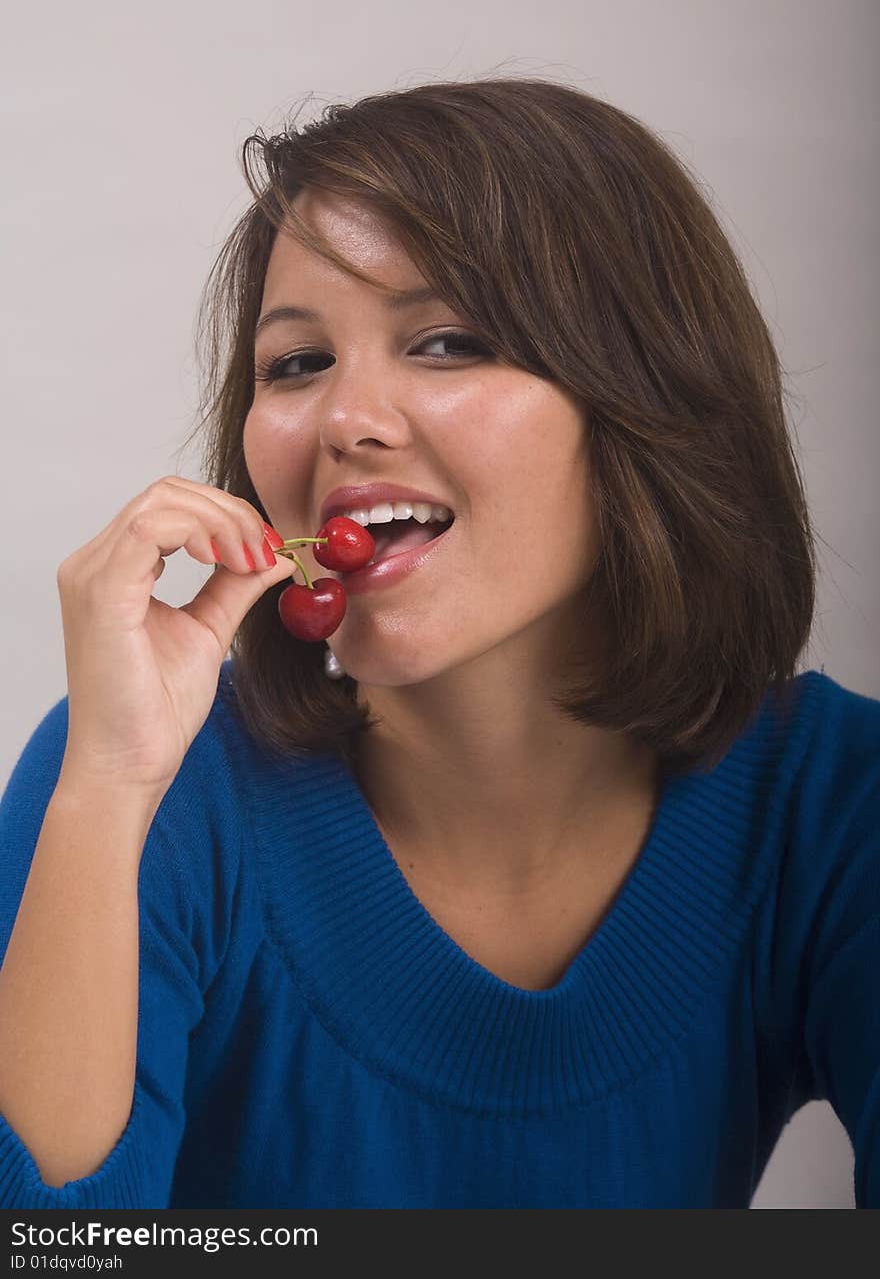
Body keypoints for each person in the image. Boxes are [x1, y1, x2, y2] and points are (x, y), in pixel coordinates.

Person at [0, 78, 877, 1209]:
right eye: (296, 364)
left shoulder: (830, 803)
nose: (346, 418)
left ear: (644, 394)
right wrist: (110, 787)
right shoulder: (140, 787)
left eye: (450, 341)